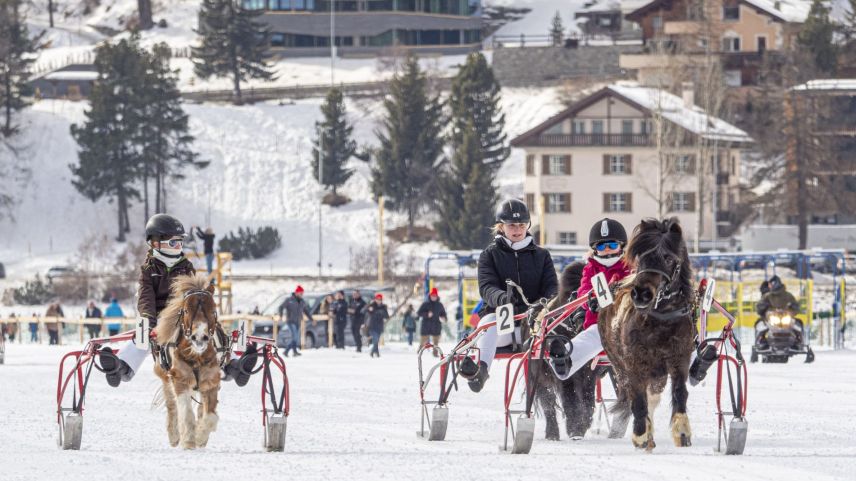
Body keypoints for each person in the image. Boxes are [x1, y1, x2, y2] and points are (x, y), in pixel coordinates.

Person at [99, 214, 258, 388]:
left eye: (180, 243)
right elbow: (146, 296)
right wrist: (148, 318)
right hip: (160, 318)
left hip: (185, 314)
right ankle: (121, 367)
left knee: (214, 332)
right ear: (156, 242)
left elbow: (194, 291)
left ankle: (235, 367)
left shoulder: (185, 266)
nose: (179, 247)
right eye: (174, 243)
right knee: (144, 337)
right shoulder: (149, 270)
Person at [459, 199, 558, 392]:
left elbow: (552, 287)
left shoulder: (542, 255)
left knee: (559, 329)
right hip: (503, 324)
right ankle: (481, 371)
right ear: (501, 227)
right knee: (488, 323)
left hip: (535, 324)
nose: (517, 229)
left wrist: (543, 304)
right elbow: (486, 286)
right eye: (512, 225)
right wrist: (502, 298)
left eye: (522, 225)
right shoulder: (489, 255)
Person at [278, 285, 313, 357]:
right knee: (295, 337)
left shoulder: (302, 301)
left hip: (298, 321)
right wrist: (281, 315)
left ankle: (294, 352)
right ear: (296, 292)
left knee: (296, 337)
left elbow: (306, 311)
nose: (302, 295)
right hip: (290, 321)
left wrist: (311, 319)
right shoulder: (289, 300)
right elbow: (281, 307)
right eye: (301, 293)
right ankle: (286, 351)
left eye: (302, 293)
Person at [417, 288, 447, 357]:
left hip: (436, 326)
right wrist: (427, 314)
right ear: (430, 296)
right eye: (432, 296)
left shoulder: (440, 305)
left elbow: (444, 314)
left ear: (437, 296)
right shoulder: (425, 304)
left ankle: (435, 353)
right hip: (426, 325)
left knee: (436, 342)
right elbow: (419, 313)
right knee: (423, 341)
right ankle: (419, 353)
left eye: (435, 296)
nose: (433, 297)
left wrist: (443, 318)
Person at [363, 293, 390, 357]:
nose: (378, 300)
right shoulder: (371, 305)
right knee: (375, 339)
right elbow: (364, 311)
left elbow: (387, 316)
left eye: (380, 299)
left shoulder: (383, 307)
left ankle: (376, 352)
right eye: (377, 299)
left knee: (377, 340)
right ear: (375, 299)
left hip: (379, 326)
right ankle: (372, 352)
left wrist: (381, 313)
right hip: (372, 325)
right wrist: (368, 308)